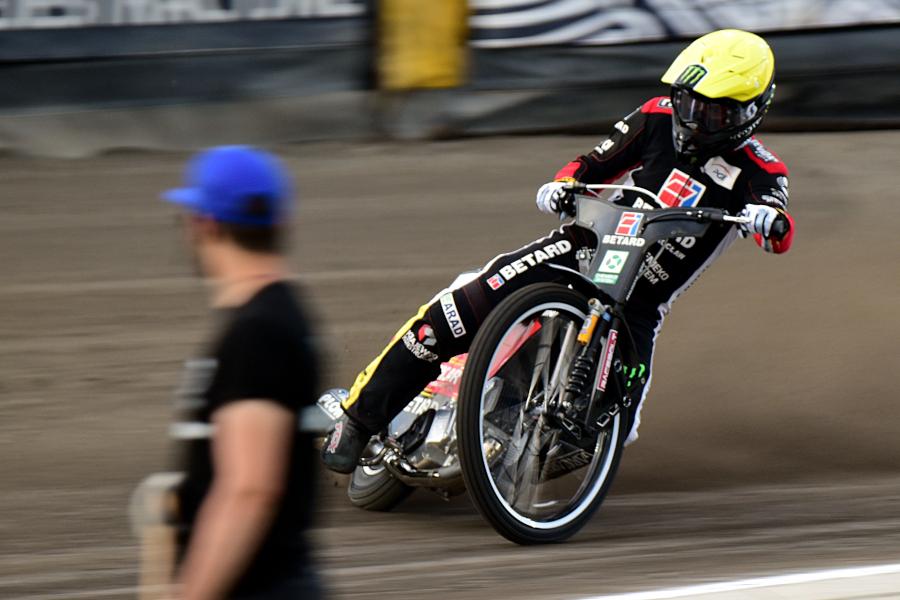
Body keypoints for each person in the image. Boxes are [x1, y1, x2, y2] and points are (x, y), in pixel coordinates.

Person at [322, 29, 795, 474]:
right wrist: (564, 184)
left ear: (752, 112)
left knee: (616, 430)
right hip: (585, 246)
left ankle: (511, 468)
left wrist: (767, 220)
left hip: (639, 305)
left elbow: (780, 232)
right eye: (688, 102)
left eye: (713, 113)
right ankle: (357, 420)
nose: (693, 119)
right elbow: (591, 163)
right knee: (458, 309)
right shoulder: (656, 115)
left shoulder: (762, 170)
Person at [164, 146, 323, 599]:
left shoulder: (259, 333)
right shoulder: (278, 318)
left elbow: (249, 490)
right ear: (281, 222)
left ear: (205, 225)